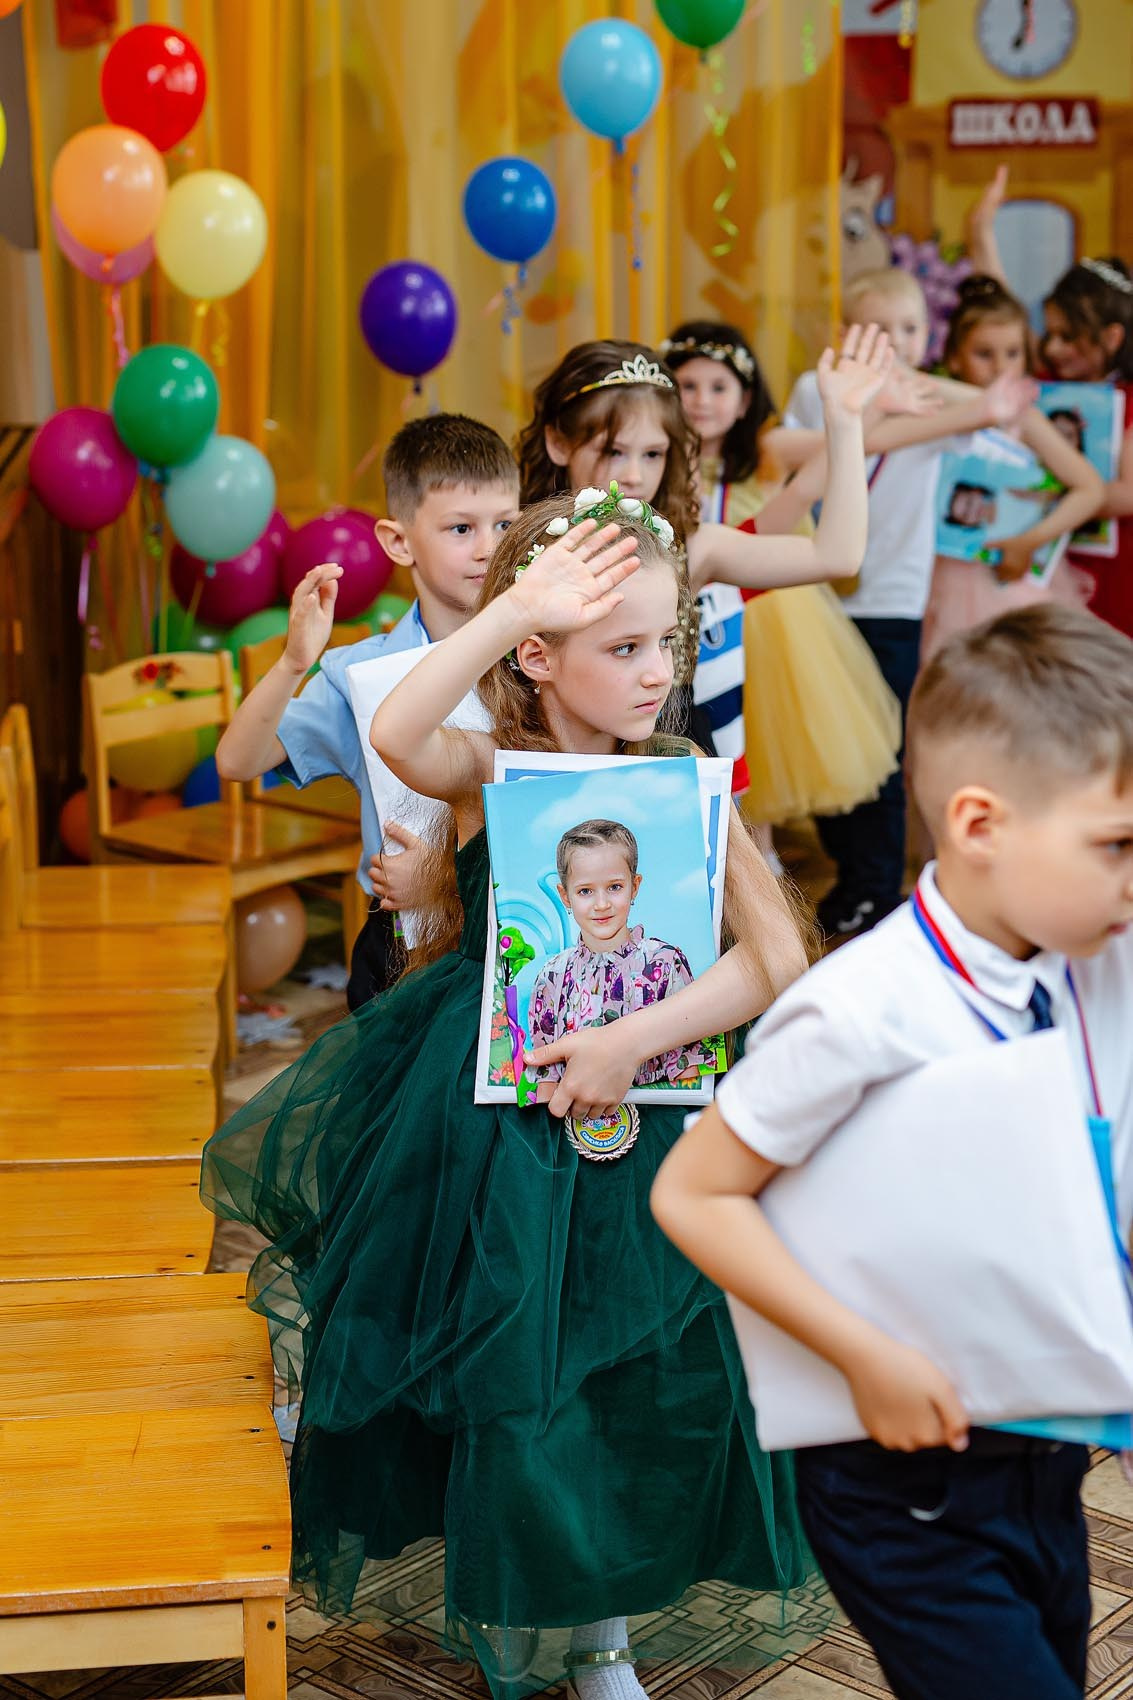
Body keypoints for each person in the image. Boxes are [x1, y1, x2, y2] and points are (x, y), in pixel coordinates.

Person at [201, 486, 832, 1700]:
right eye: (624, 645)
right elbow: (400, 732)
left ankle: (605, 1628)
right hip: (496, 1127)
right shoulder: (497, 765)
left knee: (627, 1368)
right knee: (523, 1370)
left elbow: (773, 959)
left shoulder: (685, 773)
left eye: (668, 641)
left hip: (653, 1117)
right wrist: (516, 610)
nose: (657, 672)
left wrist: (628, 1037)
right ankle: (570, 1613)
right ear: (540, 657)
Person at [651, 602, 1133, 1700]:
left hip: (1038, 1453)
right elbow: (694, 1192)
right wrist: (863, 1352)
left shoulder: (1075, 962)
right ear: (977, 823)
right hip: (895, 1484)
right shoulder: (857, 1009)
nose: (1129, 879)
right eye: (1113, 845)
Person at [214, 413, 519, 1007]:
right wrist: (293, 662)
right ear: (398, 541)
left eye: (505, 522)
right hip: (397, 953)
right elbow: (236, 760)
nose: (489, 548)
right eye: (460, 529)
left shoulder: (542, 656)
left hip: (523, 939)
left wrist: (444, 880)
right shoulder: (361, 676)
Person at [779, 266, 1035, 939]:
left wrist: (914, 383)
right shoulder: (816, 390)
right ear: (846, 335)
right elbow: (784, 455)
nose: (895, 341)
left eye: (911, 329)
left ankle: (874, 889)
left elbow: (1000, 408)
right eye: (879, 329)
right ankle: (847, 872)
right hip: (819, 595)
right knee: (825, 746)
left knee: (881, 756)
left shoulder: (935, 406)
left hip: (890, 600)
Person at [515, 324, 894, 761]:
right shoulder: (521, 547)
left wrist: (844, 421)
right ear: (559, 443)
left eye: (653, 454)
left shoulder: (691, 549)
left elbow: (837, 555)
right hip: (545, 762)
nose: (635, 474)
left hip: (671, 766)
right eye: (614, 451)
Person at [661, 319, 902, 846]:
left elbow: (819, 512)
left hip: (746, 625)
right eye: (688, 387)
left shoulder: (753, 477)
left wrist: (857, 415)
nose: (701, 400)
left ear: (745, 400)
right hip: (669, 657)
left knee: (750, 749)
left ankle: (758, 860)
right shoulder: (653, 493)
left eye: (718, 387)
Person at [967, 168, 1133, 637]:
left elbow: (1129, 492)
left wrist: (1052, 490)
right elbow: (1004, 308)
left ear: (1112, 337)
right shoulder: (1045, 381)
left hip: (1116, 573)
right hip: (1047, 565)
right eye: (1050, 332)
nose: (1054, 348)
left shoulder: (1129, 401)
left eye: (1069, 337)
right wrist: (982, 233)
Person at [920, 275, 1101, 661]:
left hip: (1010, 580)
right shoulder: (933, 414)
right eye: (984, 354)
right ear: (954, 356)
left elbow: (1091, 489)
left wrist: (1030, 540)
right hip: (939, 577)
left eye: (1014, 353)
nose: (1001, 368)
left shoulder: (1027, 420)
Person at [525, 817, 716, 1099]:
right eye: (585, 891)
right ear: (565, 896)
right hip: (571, 1124)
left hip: (654, 1122)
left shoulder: (665, 963)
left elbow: (690, 1061)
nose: (601, 904)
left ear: (634, 886)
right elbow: (546, 1075)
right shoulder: (552, 975)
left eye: (614, 887)